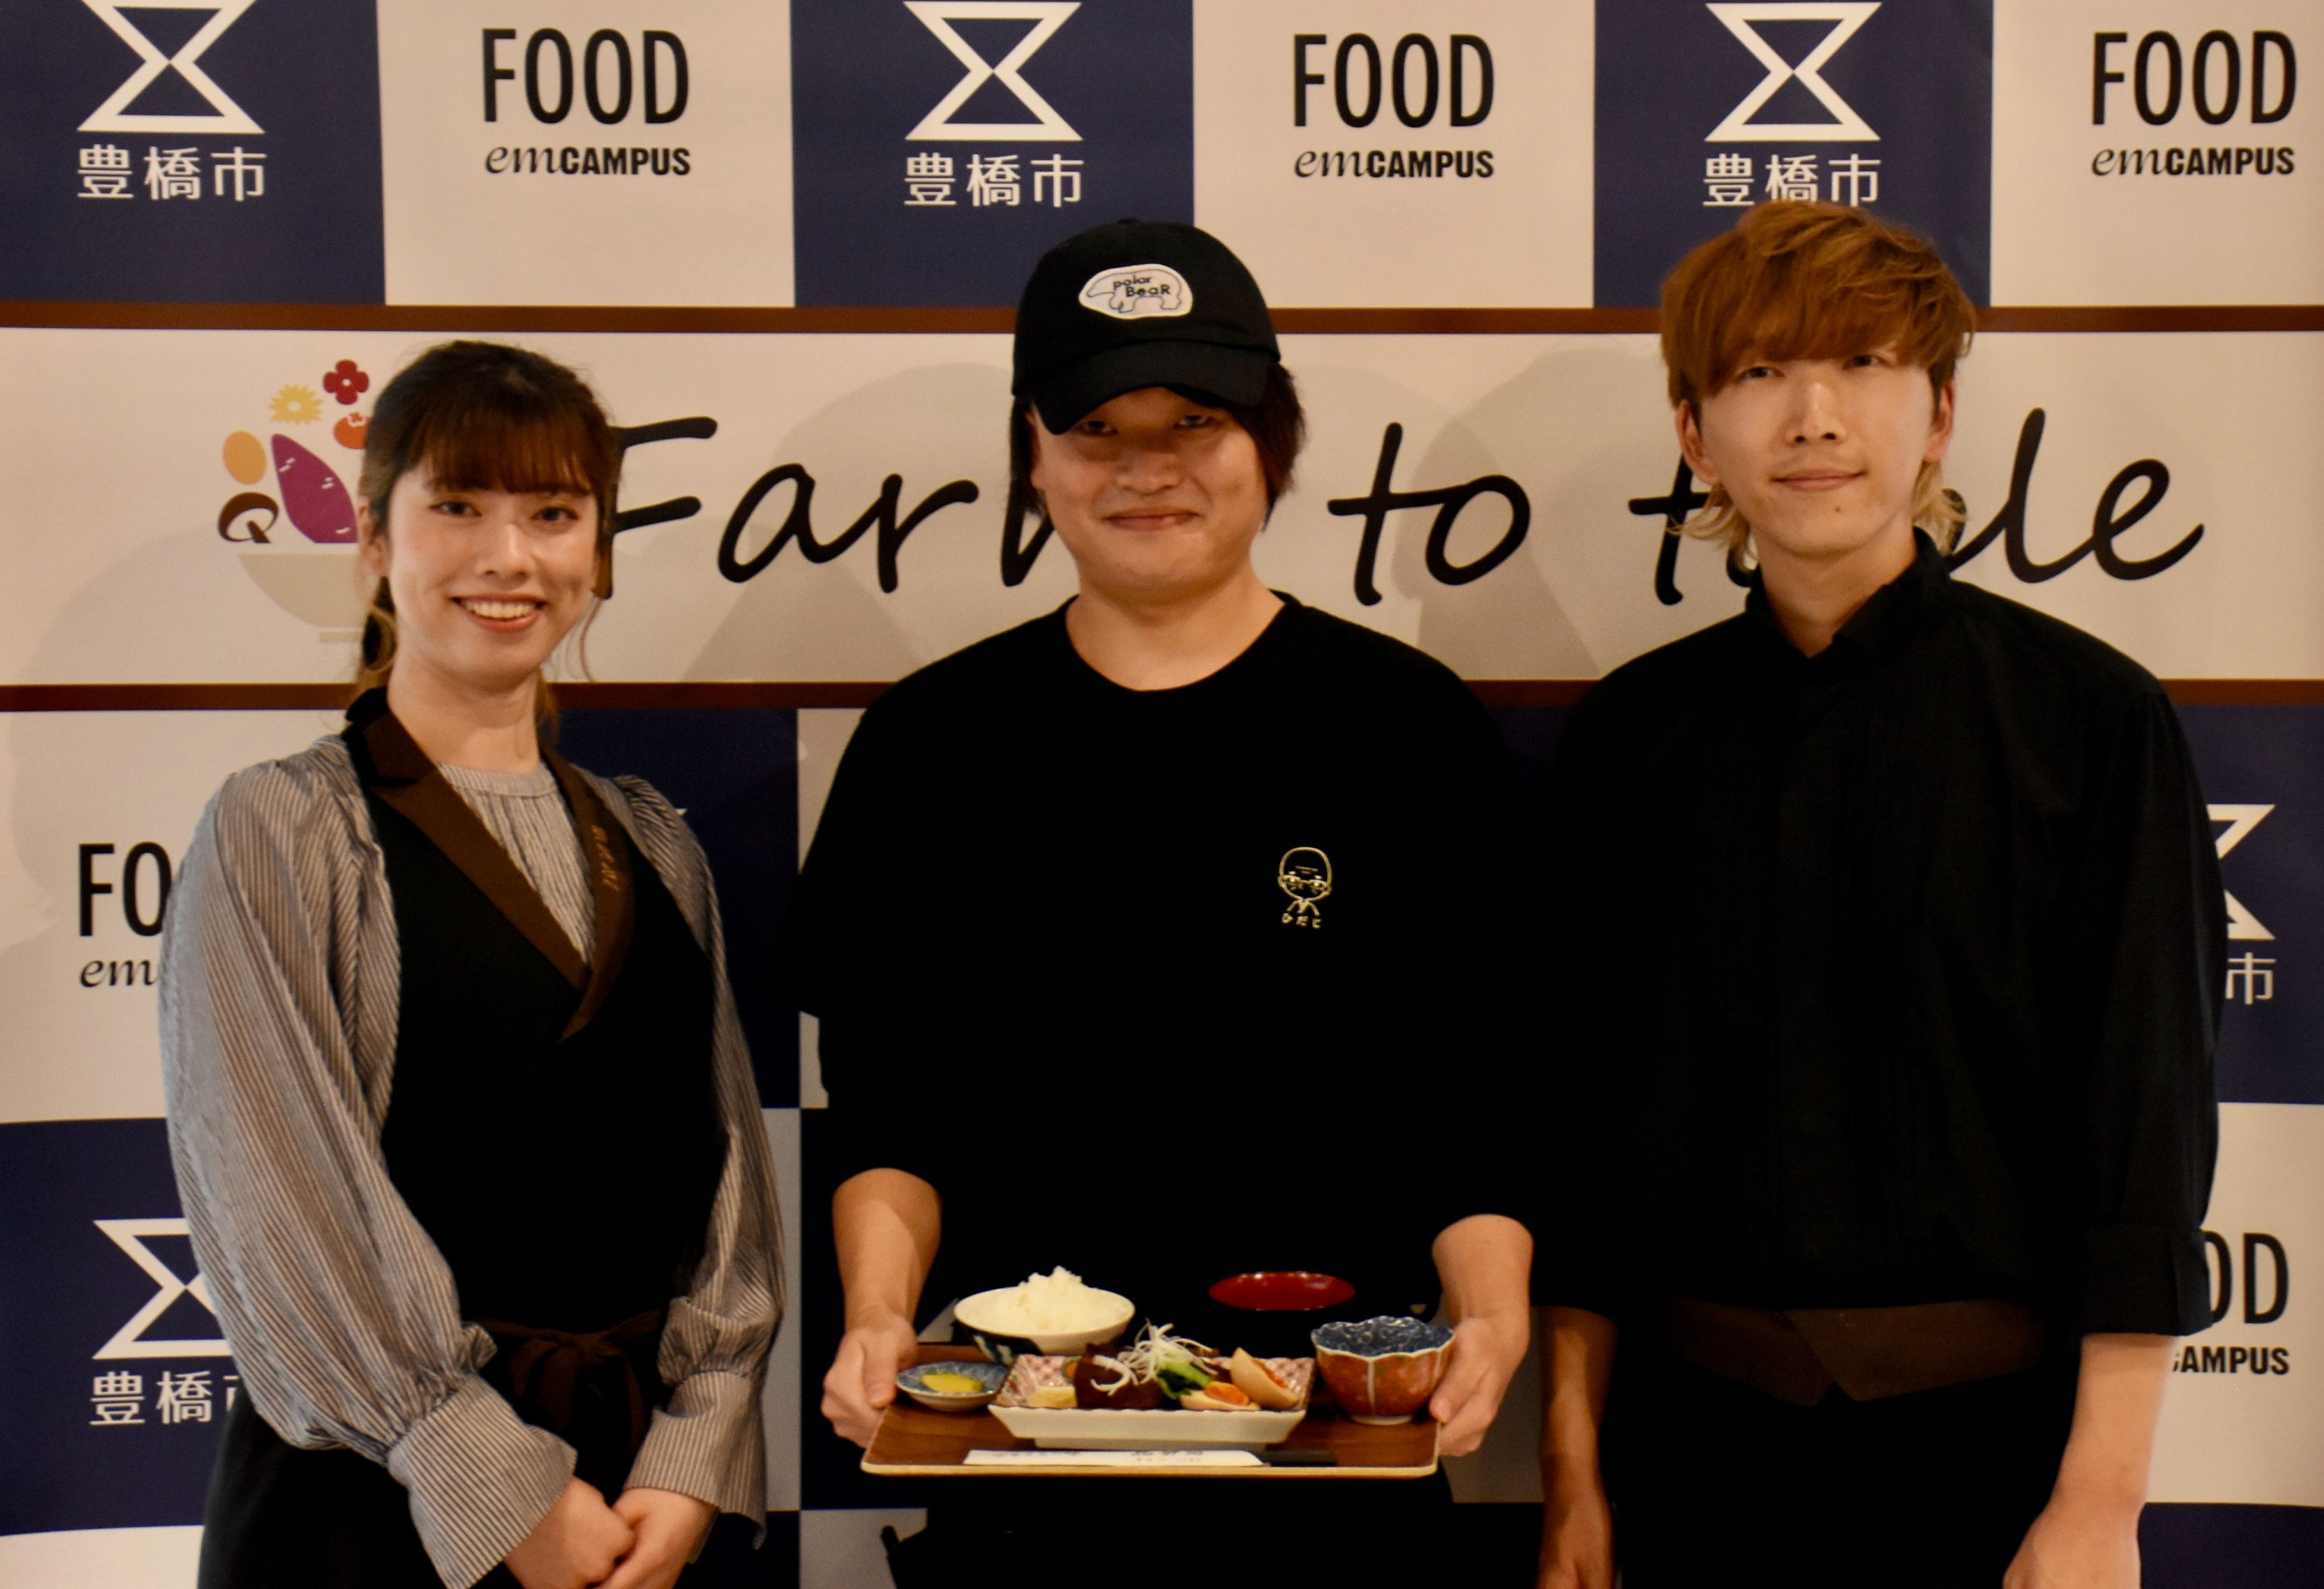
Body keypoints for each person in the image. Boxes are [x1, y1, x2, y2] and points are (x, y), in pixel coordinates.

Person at [793, 220, 1536, 1584]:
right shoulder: (930, 744)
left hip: (1339, 1463)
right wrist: (879, 1314)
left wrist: (1492, 1312)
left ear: (1272, 442)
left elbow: (1478, 1099)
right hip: (1026, 1466)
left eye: (1196, 420)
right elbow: (889, 1108)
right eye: (1096, 429)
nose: (1147, 468)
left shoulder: (1407, 728)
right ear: (1032, 455)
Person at [1534, 200, 2225, 1589]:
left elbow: (2144, 1138)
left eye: (1862, 364)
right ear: (1695, 435)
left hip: (1995, 1460)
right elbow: (1583, 1140)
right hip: (1685, 1458)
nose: (1814, 419)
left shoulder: (2091, 722)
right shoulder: (1630, 739)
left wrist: (2100, 1505)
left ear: (1941, 414)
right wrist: (1572, 1477)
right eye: (1759, 373)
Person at [161, 341, 782, 1589]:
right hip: (367, 1508)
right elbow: (280, 1200)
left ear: (598, 552)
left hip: (639, 1507)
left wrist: (698, 1448)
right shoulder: (285, 827)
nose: (509, 557)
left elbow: (727, 1183)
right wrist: (489, 1482)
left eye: (553, 513)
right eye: (457, 506)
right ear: (373, 539)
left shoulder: (653, 842)